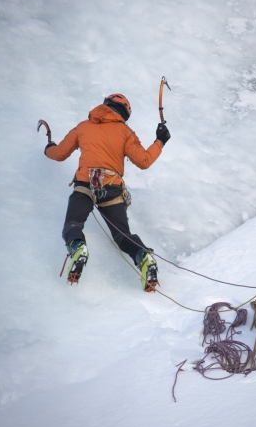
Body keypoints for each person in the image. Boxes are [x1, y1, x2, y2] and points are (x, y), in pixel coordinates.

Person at [43, 93, 171, 290]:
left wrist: (48, 148)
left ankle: (78, 247)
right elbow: (144, 161)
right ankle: (143, 256)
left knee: (73, 224)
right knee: (122, 236)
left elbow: (59, 154)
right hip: (111, 188)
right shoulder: (124, 131)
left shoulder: (83, 127)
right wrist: (160, 141)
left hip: (85, 185)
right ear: (123, 113)